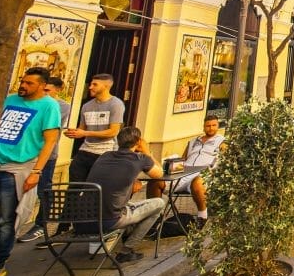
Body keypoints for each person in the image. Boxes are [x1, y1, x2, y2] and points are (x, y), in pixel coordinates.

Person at [0, 67, 61, 276]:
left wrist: (36, 171)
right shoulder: (10, 99)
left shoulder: (49, 106)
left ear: (43, 86)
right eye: (23, 81)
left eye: (30, 83)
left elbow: (50, 140)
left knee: (7, 219)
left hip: (16, 168)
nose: (23, 86)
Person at [86, 126, 164, 263]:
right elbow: (159, 174)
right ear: (138, 142)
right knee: (159, 203)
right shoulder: (140, 159)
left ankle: (126, 233)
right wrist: (147, 152)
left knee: (130, 204)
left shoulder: (104, 156)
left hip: (84, 220)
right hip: (110, 219)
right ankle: (126, 250)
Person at [17, 76, 72, 243]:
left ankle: (41, 224)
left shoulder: (58, 106)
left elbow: (40, 126)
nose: (44, 93)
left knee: (44, 189)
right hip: (25, 155)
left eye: (48, 90)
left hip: (46, 155)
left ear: (58, 90)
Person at [146, 115, 224, 225]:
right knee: (155, 182)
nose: (211, 128)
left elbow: (225, 160)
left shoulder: (222, 142)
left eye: (213, 125)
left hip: (203, 175)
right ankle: (155, 218)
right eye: (208, 126)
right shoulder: (192, 142)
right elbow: (182, 160)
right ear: (203, 127)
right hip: (184, 174)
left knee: (198, 182)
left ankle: (202, 217)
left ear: (218, 126)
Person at [66, 74, 126, 182]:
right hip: (85, 149)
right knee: (74, 184)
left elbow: (113, 132)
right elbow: (82, 129)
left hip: (105, 152)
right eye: (91, 84)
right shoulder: (86, 106)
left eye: (95, 84)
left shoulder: (116, 104)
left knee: (96, 187)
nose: (90, 87)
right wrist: (74, 133)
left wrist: (85, 133)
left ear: (106, 86)